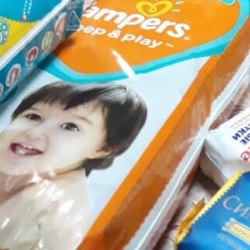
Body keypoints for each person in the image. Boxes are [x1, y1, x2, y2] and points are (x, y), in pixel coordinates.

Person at [0, 80, 147, 250]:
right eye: (33, 117)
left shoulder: (59, 208)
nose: (34, 132)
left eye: (70, 127)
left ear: (102, 148)